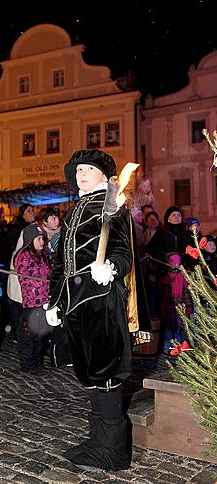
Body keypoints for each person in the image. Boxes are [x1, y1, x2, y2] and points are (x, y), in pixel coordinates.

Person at [45, 149, 151, 472]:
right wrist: (54, 300)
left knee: (105, 373)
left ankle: (113, 451)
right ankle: (98, 441)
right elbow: (60, 262)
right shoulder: (73, 211)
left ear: (105, 176)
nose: (81, 174)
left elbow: (123, 252)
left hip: (102, 301)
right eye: (78, 170)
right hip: (75, 304)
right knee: (88, 372)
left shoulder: (113, 207)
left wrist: (112, 268)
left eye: (88, 168)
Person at [14, 223, 52, 375]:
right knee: (29, 335)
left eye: (42, 238)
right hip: (32, 303)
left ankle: (37, 362)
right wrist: (42, 281)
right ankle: (28, 364)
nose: (42, 241)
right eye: (38, 239)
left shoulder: (42, 256)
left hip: (43, 302)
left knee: (40, 335)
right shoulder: (23, 256)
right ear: (30, 240)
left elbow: (48, 273)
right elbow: (25, 280)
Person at [158, 252, 193, 354]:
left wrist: (189, 306)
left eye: (178, 262)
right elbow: (162, 293)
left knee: (181, 327)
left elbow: (186, 292)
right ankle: (167, 346)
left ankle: (181, 346)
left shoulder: (183, 276)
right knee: (168, 326)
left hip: (181, 305)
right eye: (173, 261)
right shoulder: (165, 276)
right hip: (168, 305)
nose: (176, 264)